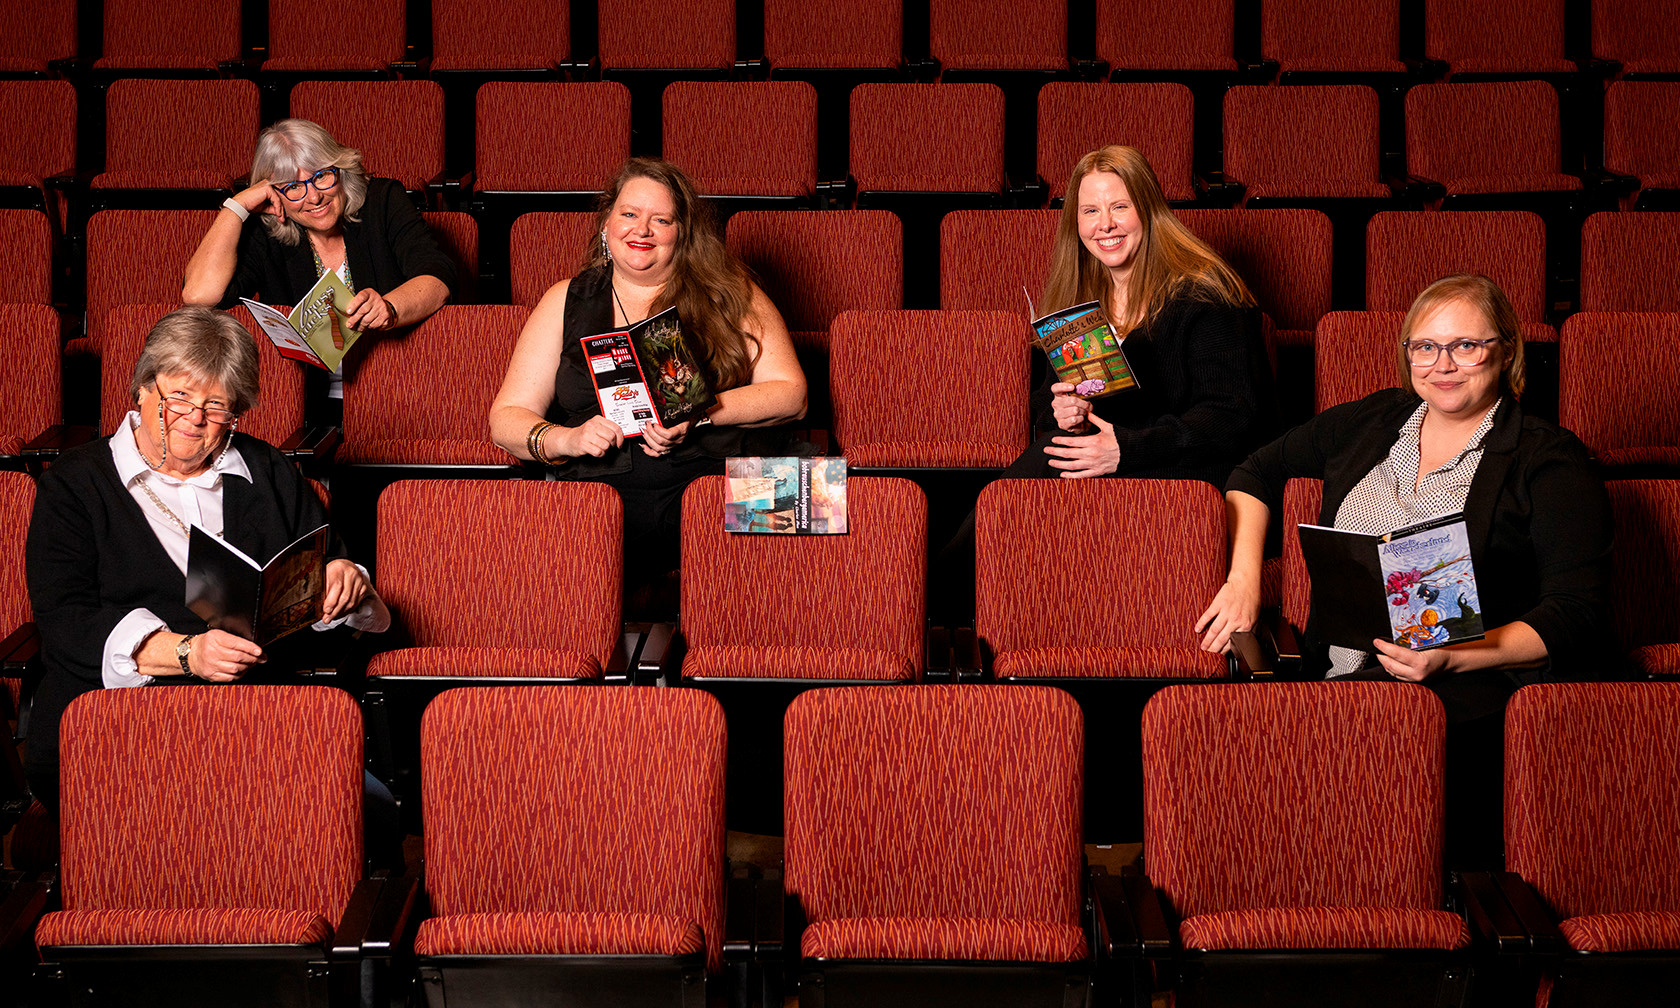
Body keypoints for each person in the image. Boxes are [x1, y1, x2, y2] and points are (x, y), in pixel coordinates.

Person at [1194, 273, 1612, 867]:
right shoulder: (1377, 420)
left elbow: (1577, 612)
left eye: (1466, 345)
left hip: (1461, 691)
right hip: (1333, 677)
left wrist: (1453, 655)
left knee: (1334, 776)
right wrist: (1244, 579)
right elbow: (1255, 470)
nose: (1443, 364)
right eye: (1425, 346)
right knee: (1221, 744)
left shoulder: (1551, 460)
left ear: (1507, 351)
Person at [24, 306, 392, 815]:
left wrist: (345, 582)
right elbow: (65, 620)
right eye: (179, 396)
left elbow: (330, 580)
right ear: (141, 389)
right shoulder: (73, 484)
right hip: (122, 727)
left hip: (257, 717)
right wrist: (184, 653)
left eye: (217, 405)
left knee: (366, 813)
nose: (195, 418)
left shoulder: (269, 470)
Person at [488, 158, 807, 594]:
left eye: (662, 219)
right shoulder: (565, 299)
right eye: (629, 214)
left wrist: (699, 415)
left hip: (718, 481)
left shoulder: (730, 293)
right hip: (599, 493)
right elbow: (506, 418)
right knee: (506, 557)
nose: (643, 230)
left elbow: (792, 395)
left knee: (823, 503)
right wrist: (568, 439)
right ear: (606, 223)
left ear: (683, 234)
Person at [1008, 144, 1274, 485]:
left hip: (1195, 468)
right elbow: (1048, 404)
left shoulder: (1207, 293)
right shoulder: (1078, 298)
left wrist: (1128, 449)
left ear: (1148, 209)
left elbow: (1229, 418)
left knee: (1051, 464)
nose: (1105, 224)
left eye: (1120, 206)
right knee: (1055, 448)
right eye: (1090, 211)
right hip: (1114, 459)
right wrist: (1067, 415)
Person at [181, 118, 456, 419]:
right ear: (273, 193)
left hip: (394, 393)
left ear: (340, 170)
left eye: (322, 177)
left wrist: (389, 307)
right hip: (305, 406)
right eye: (294, 187)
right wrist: (237, 206)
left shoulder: (383, 200)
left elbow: (438, 278)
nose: (314, 197)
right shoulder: (267, 230)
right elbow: (199, 295)